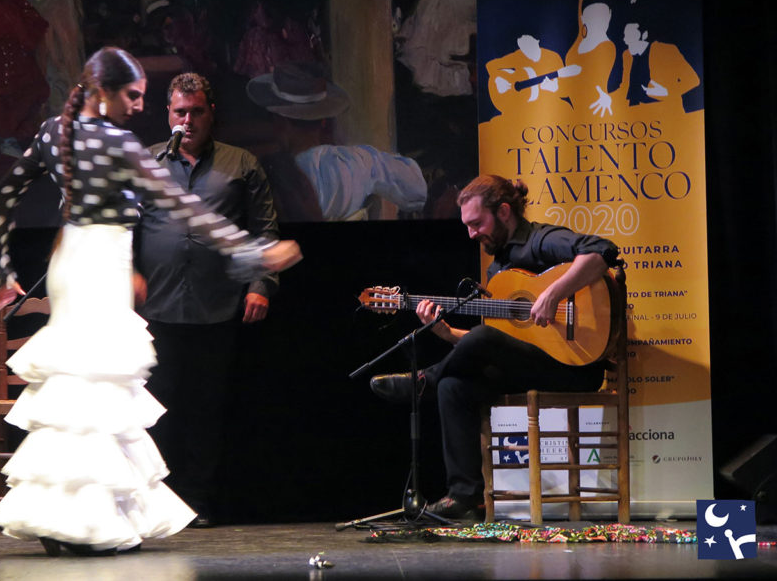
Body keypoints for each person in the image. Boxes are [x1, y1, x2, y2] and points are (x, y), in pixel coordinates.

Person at [0, 47, 301, 555]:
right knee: (99, 394)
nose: (140, 106)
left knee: (74, 390)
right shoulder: (119, 143)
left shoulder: (54, 131)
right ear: (104, 92)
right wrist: (253, 251)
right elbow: (186, 208)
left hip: (72, 261)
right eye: (134, 95)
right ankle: (86, 523)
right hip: (101, 267)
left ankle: (58, 517)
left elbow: (3, 195)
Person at [369, 174, 619, 520]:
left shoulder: (540, 240)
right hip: (530, 367)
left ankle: (423, 380)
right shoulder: (499, 269)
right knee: (453, 386)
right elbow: (498, 342)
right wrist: (446, 333)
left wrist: (553, 293)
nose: (472, 234)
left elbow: (602, 250)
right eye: (467, 226)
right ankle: (465, 497)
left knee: (480, 340)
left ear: (503, 211)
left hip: (575, 367)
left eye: (477, 223)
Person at [133, 72, 279, 528]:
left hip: (217, 307)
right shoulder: (147, 163)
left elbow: (265, 230)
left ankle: (196, 502)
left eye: (196, 111)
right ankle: (155, 502)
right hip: (155, 308)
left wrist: (260, 285)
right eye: (180, 111)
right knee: (154, 411)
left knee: (205, 412)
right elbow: (121, 226)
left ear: (211, 113)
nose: (188, 120)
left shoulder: (241, 163)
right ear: (168, 114)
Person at [247, 62, 427, 222]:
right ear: (323, 121)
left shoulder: (277, 176)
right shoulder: (359, 161)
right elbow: (417, 190)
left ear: (279, 122)